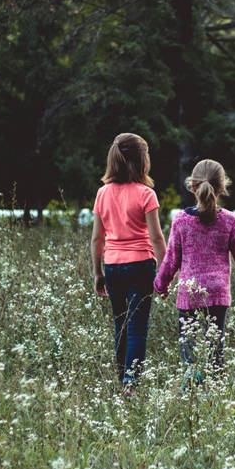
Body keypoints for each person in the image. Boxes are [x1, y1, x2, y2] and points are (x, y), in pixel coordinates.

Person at [153, 159, 235, 386]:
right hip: (217, 293)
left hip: (189, 292)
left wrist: (161, 284)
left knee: (188, 344)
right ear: (221, 188)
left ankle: (192, 383)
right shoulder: (230, 221)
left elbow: (172, 259)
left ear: (192, 187)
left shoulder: (181, 220)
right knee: (214, 346)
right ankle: (215, 389)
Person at [91, 133, 167, 393]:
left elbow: (96, 239)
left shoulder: (102, 193)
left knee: (120, 324)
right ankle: (130, 384)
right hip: (141, 265)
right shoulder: (146, 194)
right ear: (141, 161)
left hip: (112, 266)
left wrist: (97, 273)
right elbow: (156, 237)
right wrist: (166, 273)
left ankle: (122, 379)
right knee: (137, 328)